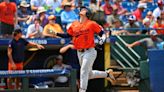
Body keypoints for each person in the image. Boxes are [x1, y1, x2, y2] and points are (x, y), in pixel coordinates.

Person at [54, 7, 115, 92]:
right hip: (80, 52)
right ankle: (107, 74)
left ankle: (82, 90)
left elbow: (103, 34)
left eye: (84, 10)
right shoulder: (74, 24)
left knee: (83, 71)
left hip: (89, 51)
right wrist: (56, 33)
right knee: (88, 74)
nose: (81, 11)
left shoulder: (91, 23)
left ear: (87, 14)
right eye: (81, 10)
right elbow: (67, 35)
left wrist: (101, 41)